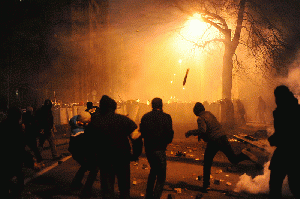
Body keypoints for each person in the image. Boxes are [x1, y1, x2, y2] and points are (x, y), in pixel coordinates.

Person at [185, 102, 256, 192]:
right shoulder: (209, 114)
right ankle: (244, 155)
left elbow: (203, 130)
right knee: (233, 158)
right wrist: (201, 135)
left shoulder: (200, 118)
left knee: (207, 162)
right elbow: (211, 127)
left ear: (196, 111)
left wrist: (190, 132)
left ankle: (206, 185)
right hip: (223, 137)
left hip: (214, 141)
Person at [87, 95, 142, 199]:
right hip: (122, 158)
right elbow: (136, 137)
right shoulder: (123, 120)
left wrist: (92, 158)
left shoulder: (95, 122)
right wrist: (135, 155)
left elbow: (88, 142)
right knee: (124, 188)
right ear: (114, 107)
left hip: (104, 159)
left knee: (107, 189)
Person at [268, 85, 300, 198]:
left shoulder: (281, 112)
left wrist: (273, 139)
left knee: (275, 184)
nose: (275, 100)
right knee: (295, 185)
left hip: (285, 152)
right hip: (295, 152)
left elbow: (285, 133)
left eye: (276, 97)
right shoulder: (296, 108)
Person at [140, 97, 174, 199]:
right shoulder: (166, 117)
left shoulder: (145, 117)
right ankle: (155, 196)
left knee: (153, 170)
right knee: (161, 176)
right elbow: (170, 133)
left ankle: (149, 195)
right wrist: (166, 142)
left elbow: (142, 132)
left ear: (152, 105)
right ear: (161, 105)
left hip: (149, 149)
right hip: (160, 148)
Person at [68, 111, 98, 196]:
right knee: (94, 169)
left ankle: (75, 183)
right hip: (79, 153)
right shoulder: (79, 133)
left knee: (84, 167)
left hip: (77, 152)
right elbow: (84, 146)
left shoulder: (76, 122)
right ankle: (86, 190)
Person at [3, 107, 27, 198]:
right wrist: (30, 161)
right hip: (13, 161)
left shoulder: (3, 125)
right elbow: (19, 148)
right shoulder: (17, 129)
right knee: (18, 184)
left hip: (5, 160)